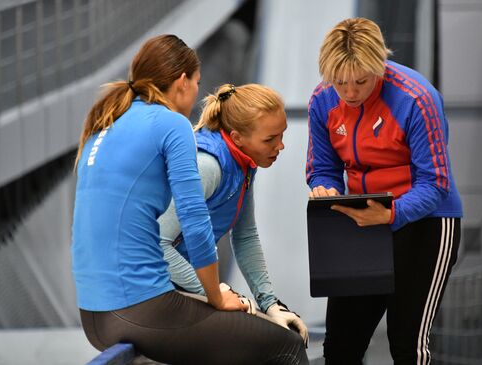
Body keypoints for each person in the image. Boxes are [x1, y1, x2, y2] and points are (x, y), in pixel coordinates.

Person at [71, 34, 308, 365]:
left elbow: (243, 234)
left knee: (241, 334)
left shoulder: (105, 124)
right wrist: (217, 295)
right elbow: (195, 224)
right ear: (182, 82)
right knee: (286, 346)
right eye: (197, 82)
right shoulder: (172, 125)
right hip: (141, 306)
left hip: (94, 313)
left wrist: (264, 302)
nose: (199, 91)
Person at [306, 18, 463, 364]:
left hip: (426, 221)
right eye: (340, 82)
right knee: (340, 347)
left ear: (378, 66)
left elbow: (435, 183)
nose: (349, 93)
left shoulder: (416, 98)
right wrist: (325, 190)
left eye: (361, 81)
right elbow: (323, 169)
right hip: (363, 221)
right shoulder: (322, 100)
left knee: (407, 344)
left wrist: (392, 214)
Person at [158, 83, 309, 346]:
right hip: (153, 289)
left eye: (281, 135)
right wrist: (214, 292)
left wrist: (271, 304)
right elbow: (157, 244)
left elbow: (245, 236)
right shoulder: (208, 166)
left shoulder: (244, 162)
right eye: (270, 139)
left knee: (283, 341)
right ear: (238, 137)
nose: (281, 146)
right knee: (277, 348)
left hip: (181, 286)